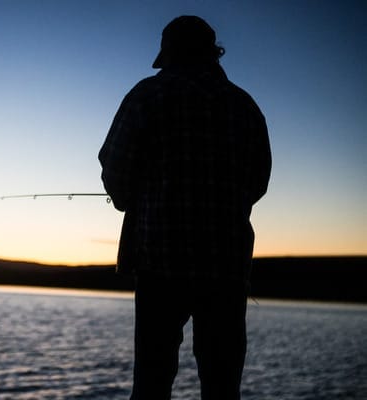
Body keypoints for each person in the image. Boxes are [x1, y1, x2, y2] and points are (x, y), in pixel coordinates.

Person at [98, 16, 271, 400]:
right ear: (213, 55)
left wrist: (130, 198)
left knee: (152, 385)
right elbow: (258, 183)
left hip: (160, 265)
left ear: (169, 54)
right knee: (223, 387)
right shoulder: (245, 107)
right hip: (227, 268)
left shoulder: (146, 96)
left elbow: (114, 170)